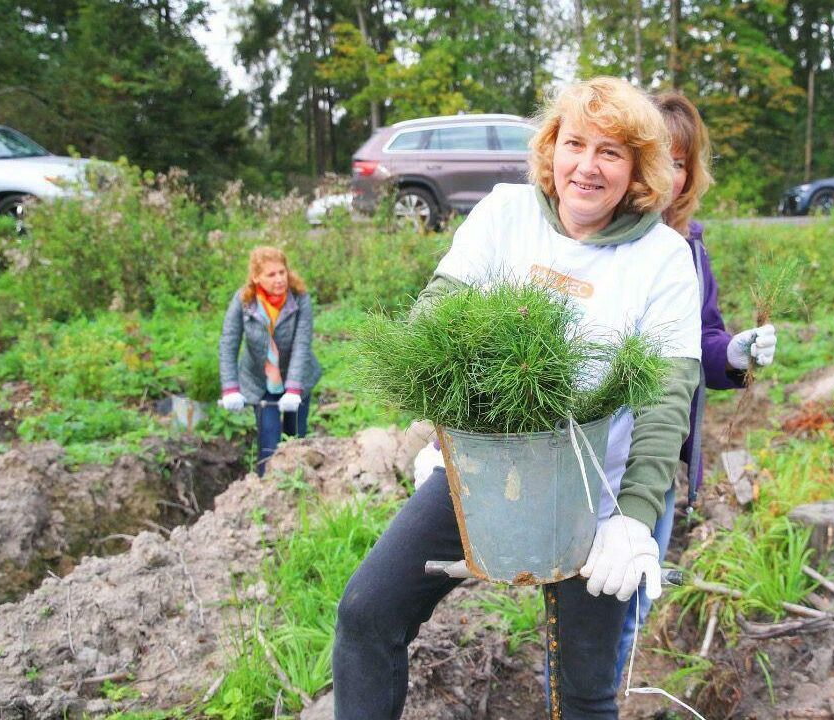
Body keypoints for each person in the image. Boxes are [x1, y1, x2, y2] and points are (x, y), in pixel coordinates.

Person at [333, 77, 701, 720]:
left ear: (639, 169)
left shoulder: (663, 257)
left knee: (583, 691)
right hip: (480, 471)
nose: (587, 166)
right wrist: (441, 431)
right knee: (366, 614)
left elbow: (667, 396)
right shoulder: (504, 214)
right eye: (575, 144)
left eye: (611, 152)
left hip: (596, 495)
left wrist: (637, 517)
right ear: (550, 149)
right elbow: (439, 313)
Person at [610, 91, 777, 680]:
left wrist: (731, 354)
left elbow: (700, 341)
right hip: (594, 453)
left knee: (636, 593)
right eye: (656, 155)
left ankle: (610, 692)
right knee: (587, 605)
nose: (668, 174)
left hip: (658, 459)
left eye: (680, 162)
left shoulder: (691, 248)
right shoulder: (600, 240)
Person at [218, 246, 321, 476]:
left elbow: (301, 344)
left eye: (282, 272)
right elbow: (228, 342)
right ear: (256, 277)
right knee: (269, 443)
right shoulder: (244, 302)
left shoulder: (299, 298)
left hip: (297, 376)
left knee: (295, 439)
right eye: (271, 274)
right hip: (259, 379)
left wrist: (294, 389)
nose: (279, 279)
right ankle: (267, 488)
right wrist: (230, 388)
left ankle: (298, 488)